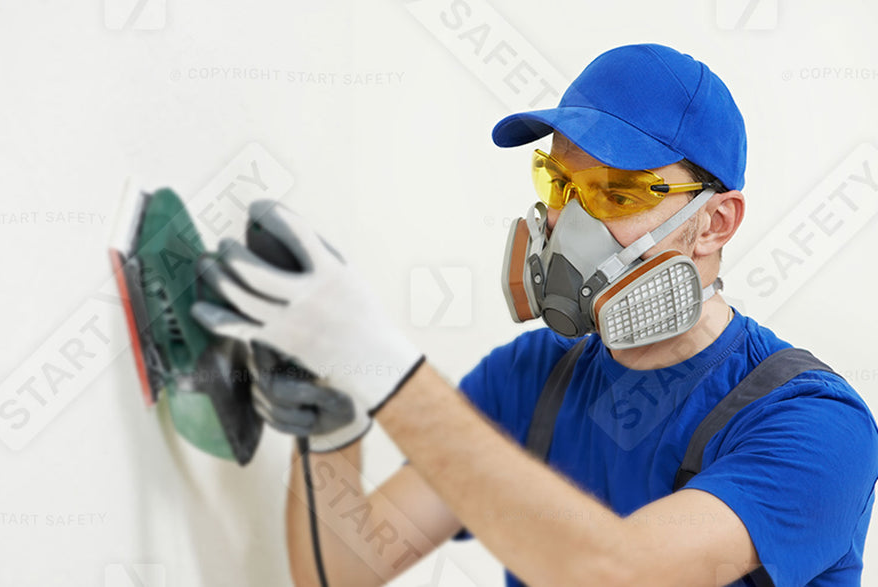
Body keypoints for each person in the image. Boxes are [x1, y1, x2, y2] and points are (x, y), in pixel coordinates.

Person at [193, 44, 878, 586]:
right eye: (560, 184)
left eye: (617, 194)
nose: (569, 224)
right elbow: (347, 564)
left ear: (715, 222)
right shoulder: (528, 380)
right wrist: (332, 430)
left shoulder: (815, 424)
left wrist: (384, 365)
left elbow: (619, 573)